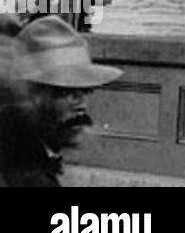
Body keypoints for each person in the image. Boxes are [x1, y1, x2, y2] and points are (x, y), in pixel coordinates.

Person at [0, 17, 122, 187]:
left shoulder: (31, 153)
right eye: (65, 92)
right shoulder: (22, 172)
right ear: (30, 96)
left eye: (84, 91)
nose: (81, 105)